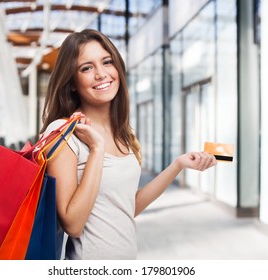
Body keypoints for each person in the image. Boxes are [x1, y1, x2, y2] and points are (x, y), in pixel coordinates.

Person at [40, 29, 217, 260]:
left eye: (106, 62)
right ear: (72, 82)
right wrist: (97, 150)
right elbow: (73, 224)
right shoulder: (64, 133)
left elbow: (125, 207)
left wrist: (177, 165)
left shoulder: (123, 132)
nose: (101, 74)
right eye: (87, 68)